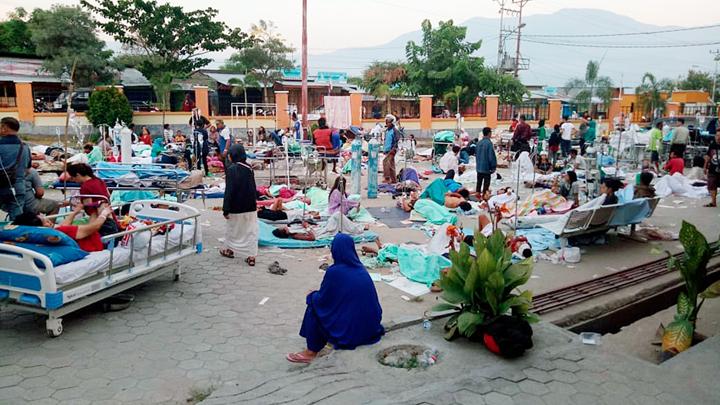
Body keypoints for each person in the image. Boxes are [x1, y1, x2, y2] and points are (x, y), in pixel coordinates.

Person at [287, 233, 384, 364]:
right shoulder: (361, 269)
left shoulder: (335, 271)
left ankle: (311, 352)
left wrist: (311, 295)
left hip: (351, 335)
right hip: (371, 329)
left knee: (313, 305)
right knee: (324, 302)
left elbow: (322, 301)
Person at [12, 203, 113, 253]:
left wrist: (75, 212)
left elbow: (64, 226)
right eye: (46, 221)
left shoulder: (34, 235)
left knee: (94, 214)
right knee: (105, 213)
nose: (49, 222)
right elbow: (95, 227)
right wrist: (104, 214)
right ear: (40, 226)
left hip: (89, 235)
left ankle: (95, 212)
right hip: (100, 241)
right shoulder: (58, 232)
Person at [220, 144, 258, 266]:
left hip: (235, 207)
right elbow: (253, 187)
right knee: (250, 231)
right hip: (250, 206)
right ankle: (251, 256)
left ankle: (230, 250)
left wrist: (225, 209)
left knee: (232, 230)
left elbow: (229, 191)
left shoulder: (231, 170)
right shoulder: (249, 168)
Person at [65, 163, 119, 238]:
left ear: (77, 175)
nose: (73, 181)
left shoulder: (85, 187)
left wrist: (73, 205)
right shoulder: (99, 181)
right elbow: (107, 196)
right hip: (110, 215)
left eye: (72, 178)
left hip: (98, 219)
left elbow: (89, 207)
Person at [0, 117, 31, 221]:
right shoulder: (25, 147)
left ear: (4, 128)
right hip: (18, 187)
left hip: (1, 186)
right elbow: (27, 170)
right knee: (17, 222)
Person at [475, 127, 497, 194]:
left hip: (479, 167)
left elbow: (476, 155)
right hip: (486, 168)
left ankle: (477, 195)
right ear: (489, 133)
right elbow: (491, 156)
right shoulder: (489, 143)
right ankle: (484, 196)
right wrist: (493, 166)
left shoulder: (478, 143)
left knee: (479, 183)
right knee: (486, 185)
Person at [704, 127, 720, 207]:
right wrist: (705, 167)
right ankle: (713, 202)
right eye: (717, 136)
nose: (718, 138)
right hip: (713, 169)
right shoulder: (712, 145)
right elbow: (708, 156)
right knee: (711, 185)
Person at [382, 115, 399, 184]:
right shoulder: (387, 131)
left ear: (392, 123)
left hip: (392, 150)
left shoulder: (395, 130)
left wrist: (393, 149)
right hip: (387, 149)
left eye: (389, 122)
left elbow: (397, 141)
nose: (387, 124)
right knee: (391, 165)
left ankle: (387, 178)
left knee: (385, 162)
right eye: (386, 122)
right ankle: (394, 180)